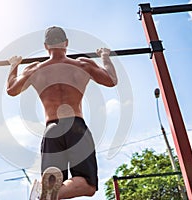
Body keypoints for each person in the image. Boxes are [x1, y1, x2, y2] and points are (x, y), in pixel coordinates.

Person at [7, 26, 118, 200]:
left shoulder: (34, 69)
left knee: (52, 181)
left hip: (52, 129)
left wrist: (14, 66)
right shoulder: (82, 64)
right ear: (66, 43)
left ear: (46, 46)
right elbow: (111, 80)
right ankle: (50, 194)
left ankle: (48, 194)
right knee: (88, 185)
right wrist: (105, 56)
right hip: (76, 128)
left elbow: (11, 89)